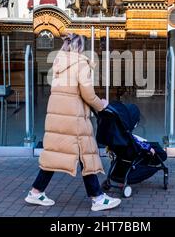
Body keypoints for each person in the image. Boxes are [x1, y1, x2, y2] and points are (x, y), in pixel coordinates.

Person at [25, 33, 122, 212]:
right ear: (81, 47)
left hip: (58, 117)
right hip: (73, 118)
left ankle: (36, 192)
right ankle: (98, 198)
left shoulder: (59, 62)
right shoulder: (81, 63)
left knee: (56, 153)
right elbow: (87, 93)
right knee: (86, 154)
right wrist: (102, 105)